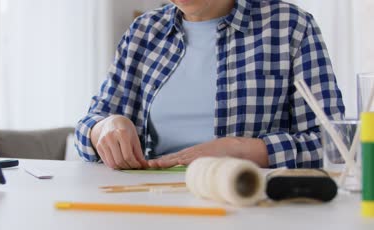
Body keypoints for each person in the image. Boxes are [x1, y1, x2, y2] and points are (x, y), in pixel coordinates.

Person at [75, 0, 345, 170]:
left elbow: (337, 146)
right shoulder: (143, 32)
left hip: (252, 204)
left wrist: (243, 150)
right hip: (152, 201)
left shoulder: (291, 26)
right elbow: (89, 125)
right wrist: (105, 128)